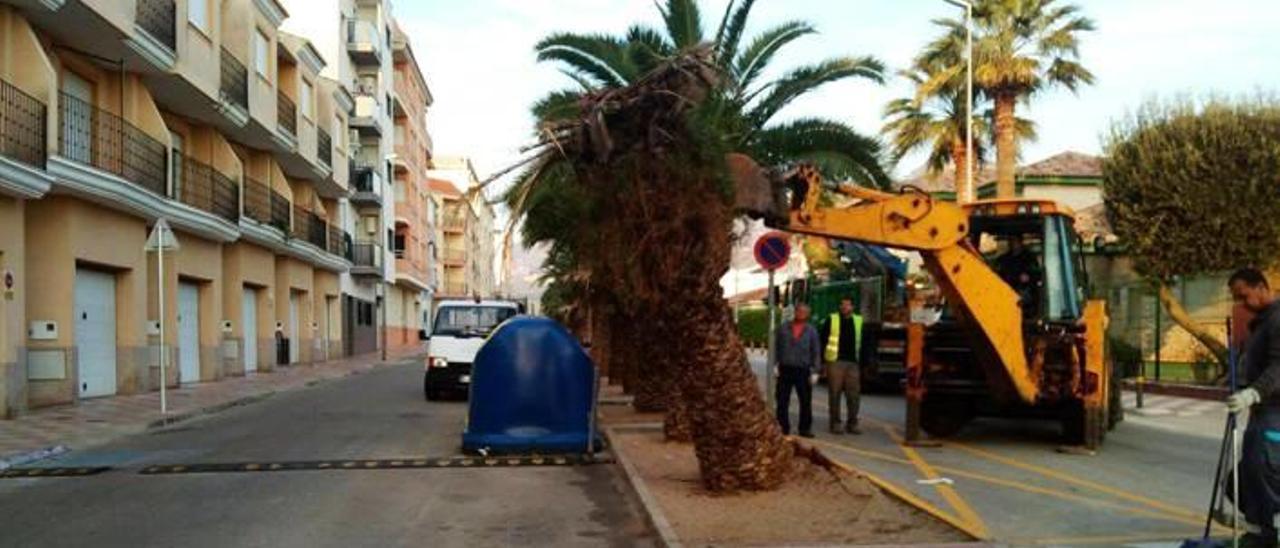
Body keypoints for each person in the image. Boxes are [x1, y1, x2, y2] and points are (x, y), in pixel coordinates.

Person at [1223, 267, 1280, 547]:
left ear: (1261, 287)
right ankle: (1260, 530)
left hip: (1275, 412)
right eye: (1236, 298)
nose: (1241, 304)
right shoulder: (1261, 322)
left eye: (1243, 296)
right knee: (1245, 477)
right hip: (1261, 411)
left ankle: (1271, 534)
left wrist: (1253, 393)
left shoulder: (1278, 319)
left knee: (1265, 472)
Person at [773, 303, 821, 438]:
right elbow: (775, 347)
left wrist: (816, 371)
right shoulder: (783, 328)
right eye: (799, 311)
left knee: (805, 401)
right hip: (785, 369)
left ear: (808, 315)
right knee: (782, 399)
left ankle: (805, 428)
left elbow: (816, 351)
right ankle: (782, 427)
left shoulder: (812, 331)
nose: (801, 314)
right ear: (795, 312)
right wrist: (774, 365)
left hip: (803, 370)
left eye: (805, 312)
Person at [820, 297, 864, 435]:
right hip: (835, 361)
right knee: (834, 394)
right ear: (839, 307)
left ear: (853, 307)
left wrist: (863, 362)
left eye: (848, 305)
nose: (845, 307)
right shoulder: (832, 319)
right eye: (842, 305)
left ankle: (852, 423)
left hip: (853, 363)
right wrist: (823, 363)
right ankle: (835, 423)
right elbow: (823, 339)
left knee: (854, 395)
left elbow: (864, 341)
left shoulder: (859, 320)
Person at [994, 235, 1041, 315]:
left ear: (1020, 242)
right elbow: (998, 275)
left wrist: (1029, 277)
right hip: (1006, 291)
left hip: (1025, 292)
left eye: (1015, 241)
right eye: (1011, 241)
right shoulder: (1003, 259)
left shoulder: (1029, 258)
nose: (1013, 244)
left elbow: (1036, 274)